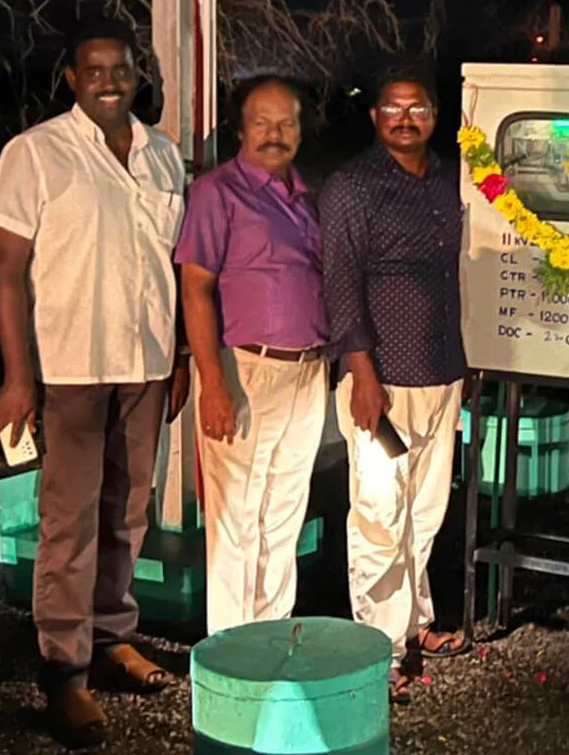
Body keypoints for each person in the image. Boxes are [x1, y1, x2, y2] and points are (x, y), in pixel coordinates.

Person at [0, 18, 189, 749]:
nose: (108, 81)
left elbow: (172, 267)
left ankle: (112, 637)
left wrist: (179, 355)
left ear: (137, 76)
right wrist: (18, 375)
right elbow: (6, 271)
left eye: (120, 69)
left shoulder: (162, 155)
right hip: (69, 365)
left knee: (128, 510)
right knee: (69, 521)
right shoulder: (35, 152)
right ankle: (64, 670)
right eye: (93, 70)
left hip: (146, 363)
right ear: (71, 78)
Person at [319, 67, 468, 704]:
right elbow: (339, 282)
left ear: (435, 114)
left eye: (418, 108)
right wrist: (362, 374)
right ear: (374, 117)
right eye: (393, 109)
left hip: (442, 371)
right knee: (380, 514)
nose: (405, 119)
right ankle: (378, 649)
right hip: (381, 380)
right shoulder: (352, 187)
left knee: (425, 511)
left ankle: (415, 623)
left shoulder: (451, 179)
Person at [175, 75, 328, 636]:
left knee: (284, 513)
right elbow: (195, 289)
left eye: (286, 123)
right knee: (236, 518)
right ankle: (231, 649)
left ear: (300, 131)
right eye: (261, 122)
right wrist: (212, 382)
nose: (274, 134)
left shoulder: (305, 195)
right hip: (245, 369)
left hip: (307, 370)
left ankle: (270, 638)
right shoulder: (217, 193)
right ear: (240, 130)